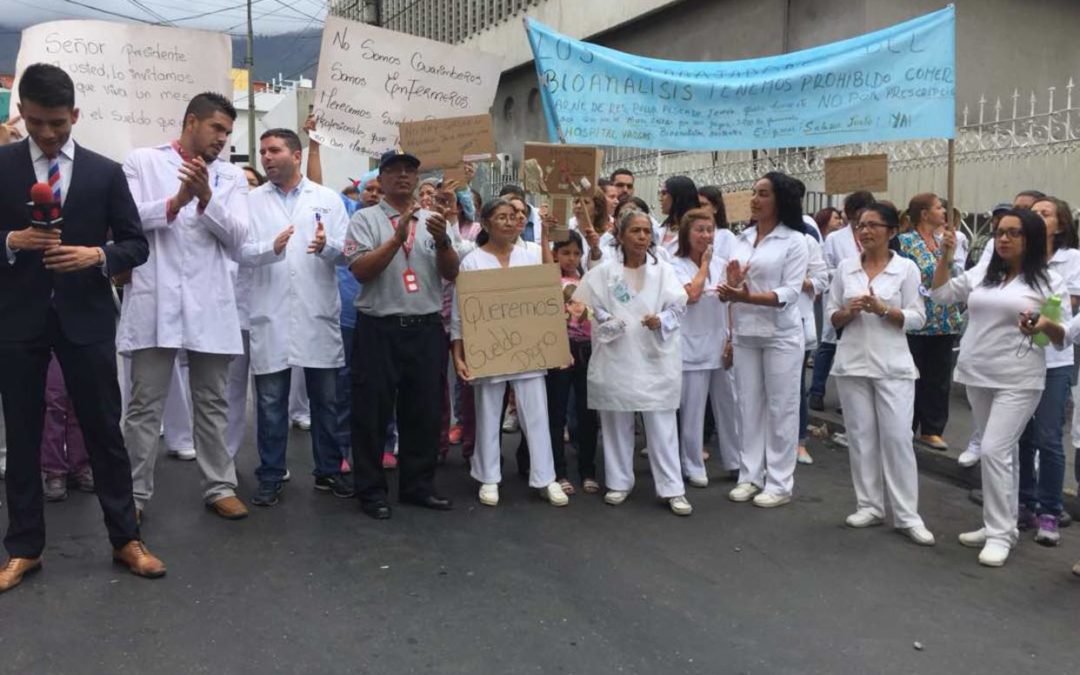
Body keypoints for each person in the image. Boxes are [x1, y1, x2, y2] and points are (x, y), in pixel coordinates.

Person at [0, 63, 163, 592]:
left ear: (75, 115)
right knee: (22, 435)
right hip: (18, 318)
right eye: (38, 123)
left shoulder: (103, 171)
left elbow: (136, 243)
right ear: (21, 113)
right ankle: (24, 547)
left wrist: (97, 255)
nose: (48, 135)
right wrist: (10, 242)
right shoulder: (0, 165)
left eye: (58, 124)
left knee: (103, 432)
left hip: (87, 318)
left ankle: (125, 539)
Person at [119, 92, 250, 521]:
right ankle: (134, 496)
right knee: (144, 406)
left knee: (212, 401)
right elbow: (126, 219)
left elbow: (239, 238)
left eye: (228, 133)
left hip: (210, 303)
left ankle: (219, 486)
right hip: (156, 299)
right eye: (217, 129)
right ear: (191, 122)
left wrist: (207, 198)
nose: (223, 140)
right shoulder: (143, 161)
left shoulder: (229, 178)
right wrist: (176, 201)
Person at [932, 209, 1068, 567]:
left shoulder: (1049, 282)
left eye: (1013, 233)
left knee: (993, 450)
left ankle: (999, 533)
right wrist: (945, 256)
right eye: (999, 233)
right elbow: (942, 294)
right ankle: (1000, 523)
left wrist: (1042, 324)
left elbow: (1060, 336)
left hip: (1019, 377)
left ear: (1032, 239)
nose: (1003, 239)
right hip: (978, 372)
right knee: (1003, 456)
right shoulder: (984, 274)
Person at [242, 128, 354, 507]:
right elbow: (239, 250)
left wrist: (327, 247)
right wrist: (268, 248)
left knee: (327, 400)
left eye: (274, 150)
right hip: (270, 313)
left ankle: (328, 471)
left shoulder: (327, 199)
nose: (266, 158)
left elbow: (347, 252)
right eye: (262, 152)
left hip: (315, 311)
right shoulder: (251, 201)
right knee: (271, 402)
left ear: (296, 155)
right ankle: (271, 475)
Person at [346, 150, 460, 520]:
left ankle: (417, 486)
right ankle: (371, 489)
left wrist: (443, 242)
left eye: (410, 171)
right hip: (379, 328)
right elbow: (361, 271)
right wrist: (396, 238)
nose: (403, 177)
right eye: (394, 171)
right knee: (371, 412)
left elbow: (452, 272)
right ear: (381, 178)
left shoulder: (433, 220)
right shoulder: (365, 219)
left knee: (423, 411)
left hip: (425, 328)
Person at [826, 203, 935, 546]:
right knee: (860, 437)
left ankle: (906, 514)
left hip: (892, 366)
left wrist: (884, 309)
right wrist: (848, 311)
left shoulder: (906, 269)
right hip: (853, 362)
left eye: (873, 225)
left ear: (891, 231)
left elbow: (919, 318)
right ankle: (869, 505)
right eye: (860, 225)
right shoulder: (846, 268)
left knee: (897, 438)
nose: (865, 231)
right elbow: (831, 315)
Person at [573, 209, 691, 515]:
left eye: (646, 232)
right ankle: (618, 482)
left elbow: (679, 307)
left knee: (661, 422)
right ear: (621, 236)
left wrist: (661, 318)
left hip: (654, 355)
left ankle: (672, 488)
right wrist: (606, 319)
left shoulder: (663, 271)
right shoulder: (604, 272)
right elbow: (589, 304)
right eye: (635, 231)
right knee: (615, 419)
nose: (642, 237)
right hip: (617, 352)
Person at [450, 200, 567, 507]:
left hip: (528, 350)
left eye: (512, 217)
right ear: (486, 224)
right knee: (488, 413)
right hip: (489, 351)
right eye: (500, 217)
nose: (508, 222)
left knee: (537, 414)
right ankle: (489, 477)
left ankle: (546, 477)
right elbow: (462, 313)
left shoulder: (529, 256)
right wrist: (458, 354)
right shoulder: (472, 262)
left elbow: (546, 300)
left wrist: (557, 347)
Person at [718, 172, 809, 508]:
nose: (755, 199)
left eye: (764, 194)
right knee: (748, 405)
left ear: (780, 200)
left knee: (781, 408)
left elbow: (790, 292)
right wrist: (732, 284)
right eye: (754, 192)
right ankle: (750, 475)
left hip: (780, 335)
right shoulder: (741, 239)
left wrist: (746, 296)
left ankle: (780, 483)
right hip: (745, 332)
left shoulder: (795, 241)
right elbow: (726, 291)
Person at [1015, 197, 1080, 545]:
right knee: (1022, 435)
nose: (1037, 218)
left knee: (1048, 437)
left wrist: (1038, 314)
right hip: (1019, 357)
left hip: (1053, 360)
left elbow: (1069, 305)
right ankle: (1025, 502)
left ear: (1060, 224)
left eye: (1045, 213)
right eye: (1033, 213)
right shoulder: (1016, 260)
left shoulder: (1072, 261)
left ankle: (1050, 511)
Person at [673, 209, 740, 487]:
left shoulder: (723, 263)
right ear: (687, 234)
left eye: (710, 230)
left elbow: (731, 303)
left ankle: (737, 461)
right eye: (699, 230)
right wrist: (705, 264)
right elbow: (691, 295)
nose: (706, 236)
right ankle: (692, 464)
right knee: (693, 409)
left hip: (719, 341)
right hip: (690, 346)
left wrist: (732, 338)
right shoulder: (674, 264)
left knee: (730, 405)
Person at [894, 193, 967, 451]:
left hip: (944, 320)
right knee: (912, 376)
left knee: (938, 378)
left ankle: (932, 429)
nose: (944, 212)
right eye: (939, 208)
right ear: (924, 214)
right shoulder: (904, 243)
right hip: (917, 321)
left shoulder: (942, 242)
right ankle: (907, 425)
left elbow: (954, 277)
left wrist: (949, 253)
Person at [808, 191, 875, 412]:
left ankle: (847, 400)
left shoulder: (873, 236)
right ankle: (816, 391)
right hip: (839, 296)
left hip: (865, 300)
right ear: (855, 213)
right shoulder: (836, 239)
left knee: (853, 348)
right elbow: (825, 269)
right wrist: (848, 273)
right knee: (827, 347)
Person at [545, 230, 600, 494]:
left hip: (587, 351)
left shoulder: (587, 280)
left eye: (576, 253)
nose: (571, 258)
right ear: (555, 254)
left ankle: (588, 469)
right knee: (556, 413)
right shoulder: (547, 281)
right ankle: (558, 471)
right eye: (565, 252)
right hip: (558, 352)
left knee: (587, 413)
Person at [40, 354, 93, 501]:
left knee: (79, 400)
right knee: (54, 402)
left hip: (79, 339)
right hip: (49, 342)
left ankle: (80, 465)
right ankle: (54, 470)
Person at [658, 176, 698, 254]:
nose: (660, 198)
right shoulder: (662, 228)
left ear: (677, 196)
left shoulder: (696, 230)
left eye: (664, 193)